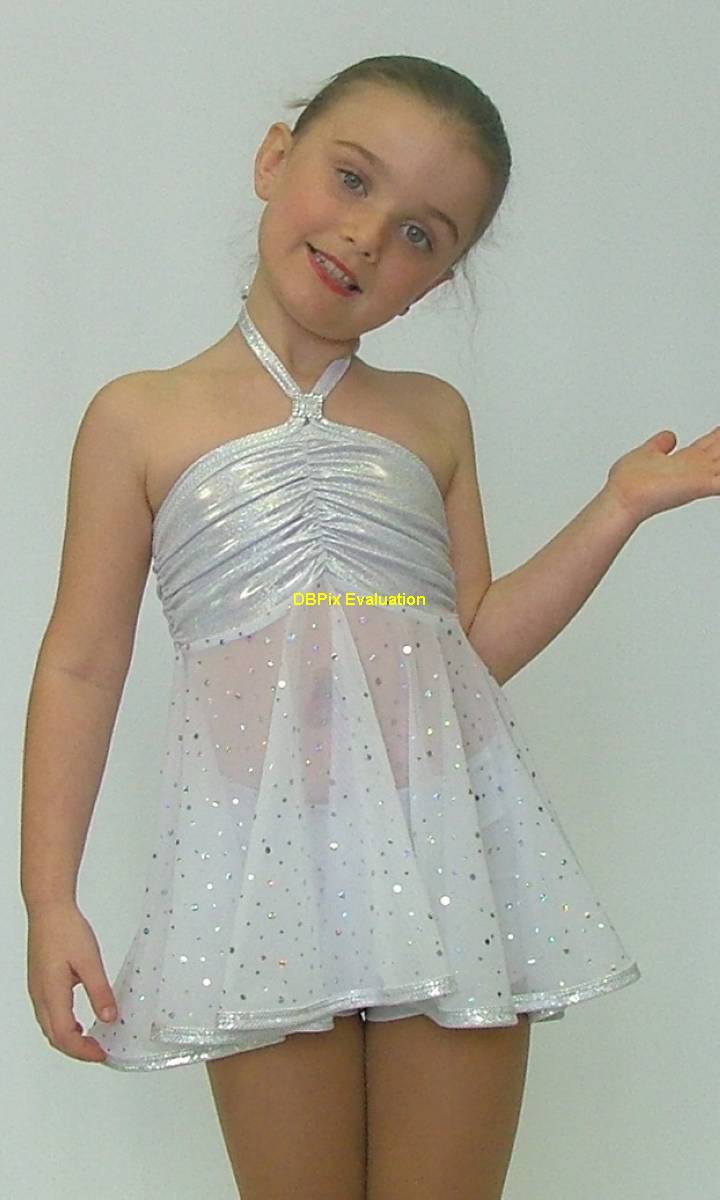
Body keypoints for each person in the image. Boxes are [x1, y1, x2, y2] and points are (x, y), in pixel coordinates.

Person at [21, 53, 719, 1200]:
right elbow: (82, 666)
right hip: (259, 877)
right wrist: (49, 899)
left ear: (437, 281)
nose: (366, 236)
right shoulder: (139, 416)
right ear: (274, 158)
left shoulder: (431, 418)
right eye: (352, 179)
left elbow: (471, 648)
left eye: (420, 235)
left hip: (446, 861)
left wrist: (619, 506)